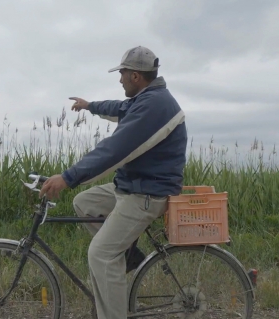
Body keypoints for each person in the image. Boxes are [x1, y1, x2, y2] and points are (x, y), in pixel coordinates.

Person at [40, 46, 187, 319]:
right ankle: (127, 256)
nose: (119, 79)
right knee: (84, 202)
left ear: (135, 76)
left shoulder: (154, 105)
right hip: (134, 185)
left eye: (122, 74)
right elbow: (119, 108)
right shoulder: (145, 99)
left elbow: (114, 150)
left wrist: (68, 177)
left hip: (147, 194)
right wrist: (90, 106)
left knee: (100, 254)